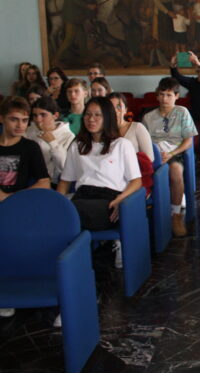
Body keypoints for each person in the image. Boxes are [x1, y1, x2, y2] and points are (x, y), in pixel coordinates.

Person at [57, 97, 142, 277]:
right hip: (82, 197)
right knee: (58, 212)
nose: (91, 119)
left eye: (97, 115)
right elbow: (65, 181)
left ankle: (75, 266)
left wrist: (121, 198)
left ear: (108, 118)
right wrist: (57, 203)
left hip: (109, 201)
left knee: (67, 216)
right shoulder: (78, 145)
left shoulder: (121, 145)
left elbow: (136, 181)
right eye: (88, 114)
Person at [0, 96, 51, 319]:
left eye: (24, 120)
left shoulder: (31, 147)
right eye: (14, 119)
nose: (20, 125)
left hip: (18, 206)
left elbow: (44, 182)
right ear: (1, 119)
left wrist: (12, 198)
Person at [142, 77, 197, 237]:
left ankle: (176, 214)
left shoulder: (182, 112)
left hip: (174, 152)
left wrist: (172, 153)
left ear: (176, 96)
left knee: (175, 171)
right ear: (157, 96)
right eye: (162, 94)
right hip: (153, 153)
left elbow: (188, 140)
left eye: (169, 95)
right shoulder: (148, 117)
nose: (165, 98)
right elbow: (143, 141)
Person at [27, 96, 75, 186]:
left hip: (53, 181)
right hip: (29, 177)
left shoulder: (68, 135)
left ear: (55, 115)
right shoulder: (30, 130)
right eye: (35, 115)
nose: (38, 120)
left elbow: (64, 167)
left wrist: (53, 143)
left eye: (43, 115)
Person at [108, 92, 154, 162]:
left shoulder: (137, 127)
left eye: (119, 107)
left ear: (125, 110)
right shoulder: (103, 130)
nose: (115, 111)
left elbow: (149, 159)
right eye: (111, 107)